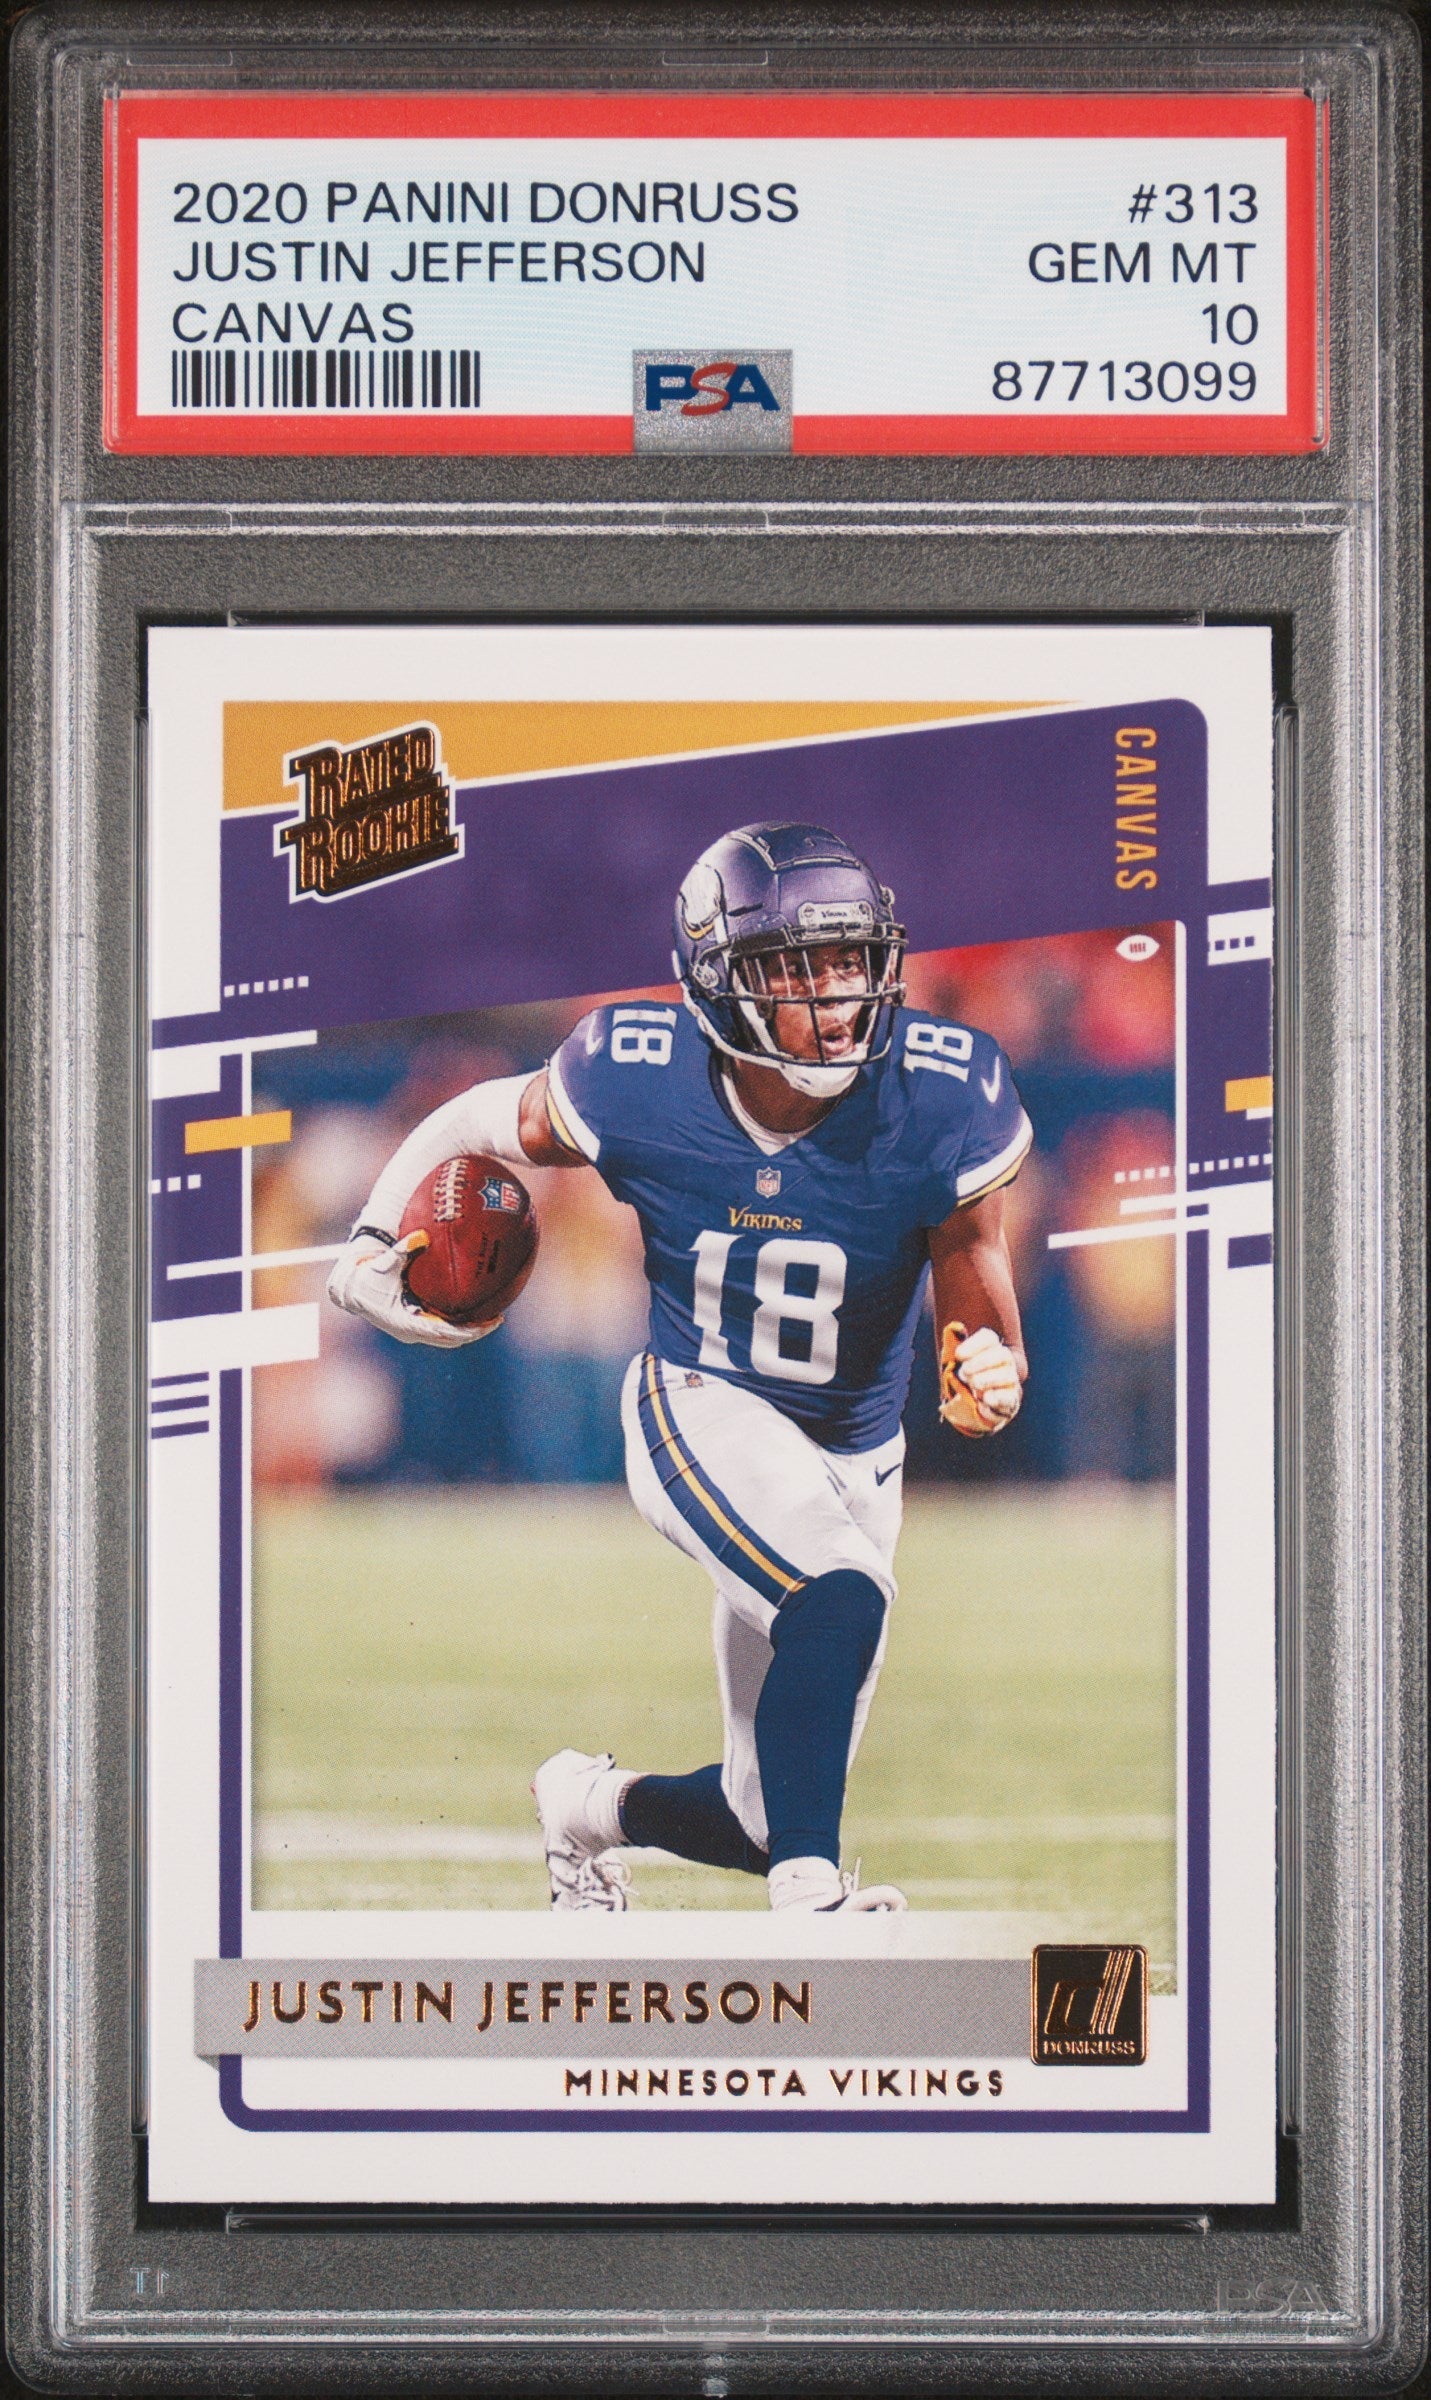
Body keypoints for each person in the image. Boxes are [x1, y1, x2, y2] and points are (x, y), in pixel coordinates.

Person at [328, 821, 1031, 1913]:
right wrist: (376, 1237)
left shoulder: (942, 1089)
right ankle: (813, 1905)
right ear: (721, 980)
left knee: (764, 1811)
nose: (839, 996)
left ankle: (583, 1805)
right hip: (701, 1400)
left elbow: (970, 1249)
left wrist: (990, 1364)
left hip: (858, 1452)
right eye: (799, 968)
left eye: (851, 959)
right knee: (840, 1597)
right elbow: (482, 1118)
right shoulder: (637, 1075)